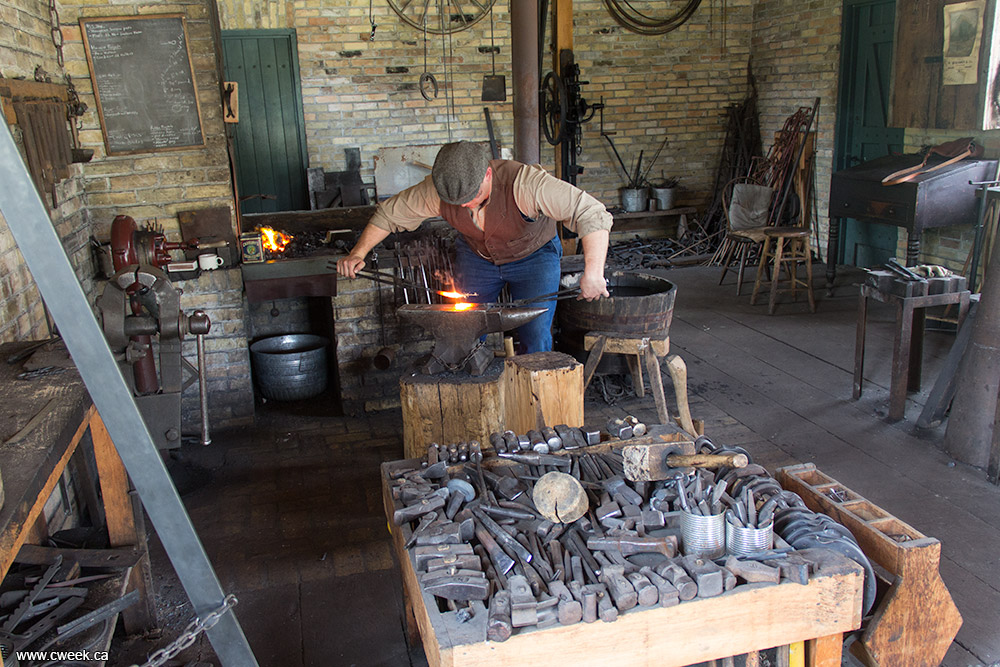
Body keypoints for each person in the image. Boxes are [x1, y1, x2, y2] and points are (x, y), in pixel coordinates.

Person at [336, 141, 612, 353]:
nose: (466, 205)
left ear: (488, 174)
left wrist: (594, 272)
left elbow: (591, 213)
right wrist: (358, 253)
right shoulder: (435, 190)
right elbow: (389, 215)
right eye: (458, 201)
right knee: (463, 329)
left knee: (535, 334)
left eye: (473, 196)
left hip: (534, 256)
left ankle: (536, 408)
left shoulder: (526, 184)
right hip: (477, 257)